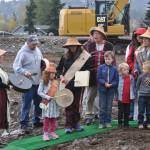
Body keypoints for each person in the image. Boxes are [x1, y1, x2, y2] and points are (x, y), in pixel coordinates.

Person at [57, 37, 90, 133]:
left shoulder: (83, 57)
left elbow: (87, 70)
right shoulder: (64, 57)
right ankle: (68, 125)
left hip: (78, 84)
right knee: (68, 105)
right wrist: (61, 76)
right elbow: (59, 69)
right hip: (67, 84)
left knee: (76, 105)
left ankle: (76, 124)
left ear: (77, 46)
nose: (72, 47)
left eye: (73, 46)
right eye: (70, 46)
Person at [83, 26, 115, 125]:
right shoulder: (89, 45)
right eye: (94, 34)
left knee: (103, 97)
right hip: (91, 76)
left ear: (102, 36)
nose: (95, 36)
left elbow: (113, 61)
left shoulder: (109, 45)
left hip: (105, 76)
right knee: (90, 97)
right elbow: (83, 59)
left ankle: (102, 115)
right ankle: (89, 116)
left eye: (97, 34)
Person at [13, 35, 43, 133]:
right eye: (33, 44)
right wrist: (24, 72)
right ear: (28, 42)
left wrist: (44, 65)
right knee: (26, 104)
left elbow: (41, 62)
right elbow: (16, 66)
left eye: (36, 44)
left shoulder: (38, 50)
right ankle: (24, 124)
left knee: (38, 103)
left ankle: (37, 121)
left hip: (37, 81)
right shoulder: (22, 52)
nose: (35, 46)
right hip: (27, 83)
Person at [125, 27, 146, 120]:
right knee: (133, 93)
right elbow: (128, 59)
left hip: (145, 73)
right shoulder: (132, 46)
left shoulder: (146, 47)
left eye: (140, 35)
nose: (138, 37)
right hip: (134, 73)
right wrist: (133, 69)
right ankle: (132, 113)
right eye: (137, 35)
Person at [38, 63, 59, 141]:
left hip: (54, 103)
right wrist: (47, 96)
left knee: (53, 118)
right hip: (46, 103)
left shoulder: (56, 82)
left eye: (54, 73)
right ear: (47, 73)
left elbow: (58, 91)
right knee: (46, 119)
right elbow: (39, 92)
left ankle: (52, 132)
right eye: (51, 73)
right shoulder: (43, 81)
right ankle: (45, 133)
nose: (53, 75)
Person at [97, 51, 118, 128]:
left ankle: (108, 121)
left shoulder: (115, 69)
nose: (107, 60)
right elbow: (99, 78)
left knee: (109, 107)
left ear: (112, 59)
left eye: (109, 59)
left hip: (111, 90)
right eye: (106, 59)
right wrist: (105, 83)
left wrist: (112, 84)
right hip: (102, 89)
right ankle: (101, 122)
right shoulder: (101, 67)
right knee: (102, 106)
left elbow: (116, 80)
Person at [117, 63, 135, 128]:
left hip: (128, 98)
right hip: (121, 98)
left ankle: (126, 123)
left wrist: (133, 96)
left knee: (127, 112)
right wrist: (116, 96)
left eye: (127, 69)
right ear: (121, 71)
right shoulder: (119, 77)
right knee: (120, 111)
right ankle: (119, 123)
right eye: (124, 69)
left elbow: (133, 87)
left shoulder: (131, 77)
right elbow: (116, 87)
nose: (126, 71)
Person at [136, 61, 150, 129]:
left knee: (148, 111)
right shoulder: (140, 76)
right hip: (141, 96)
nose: (143, 70)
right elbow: (137, 85)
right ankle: (140, 123)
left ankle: (148, 122)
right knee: (141, 110)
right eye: (143, 68)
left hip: (149, 96)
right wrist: (137, 93)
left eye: (144, 69)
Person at [0, 49, 10, 134]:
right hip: (0, 94)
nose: (3, 57)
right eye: (2, 56)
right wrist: (8, 86)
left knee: (2, 113)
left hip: (2, 93)